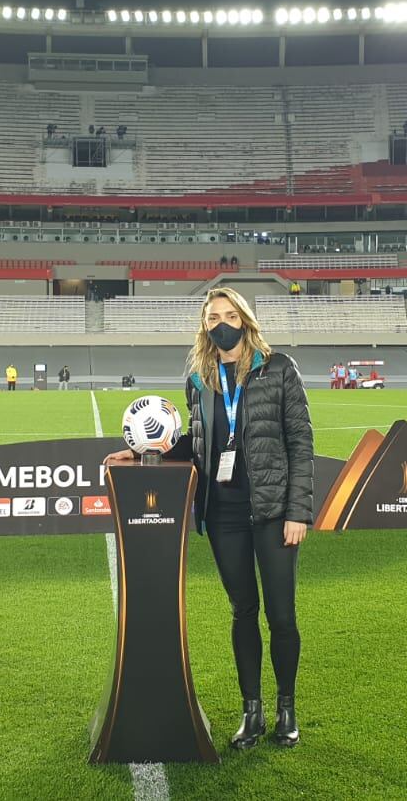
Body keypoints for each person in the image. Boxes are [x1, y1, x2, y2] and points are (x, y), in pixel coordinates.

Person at [102, 287, 314, 750]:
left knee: (281, 615)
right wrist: (143, 451)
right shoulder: (200, 378)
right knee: (243, 612)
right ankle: (252, 713)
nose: (222, 322)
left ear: (245, 320)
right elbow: (198, 444)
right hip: (224, 515)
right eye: (213, 316)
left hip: (275, 512)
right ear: (205, 325)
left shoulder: (278, 369)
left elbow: (301, 445)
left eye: (230, 314)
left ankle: (287, 710)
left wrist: (298, 512)